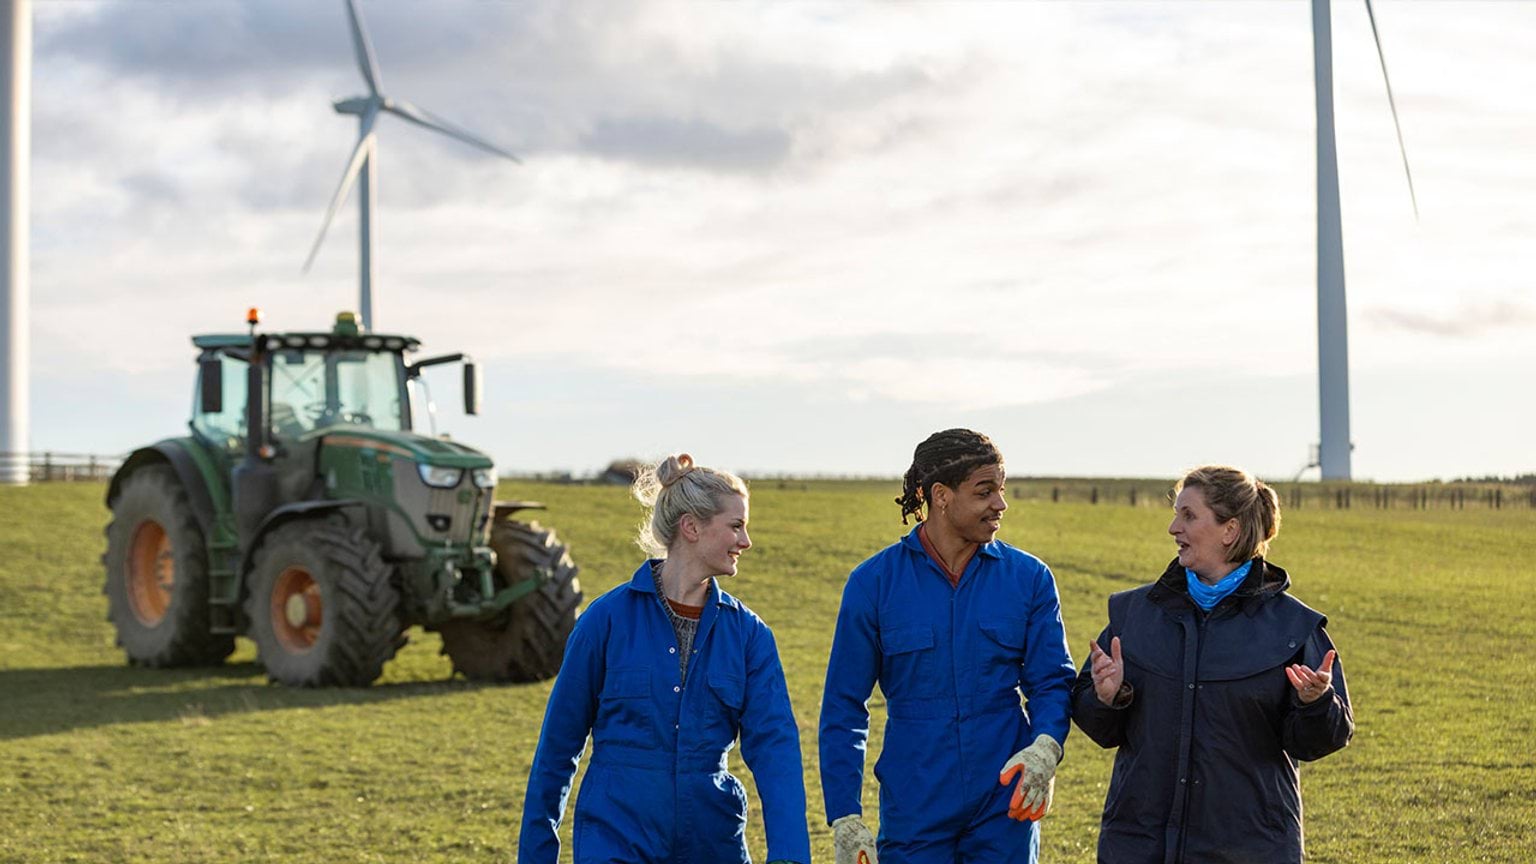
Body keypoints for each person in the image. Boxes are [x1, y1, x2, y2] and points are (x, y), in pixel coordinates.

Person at [518, 454, 810, 864]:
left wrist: (789, 855)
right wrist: (536, 855)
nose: (746, 542)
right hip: (616, 837)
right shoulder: (605, 622)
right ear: (691, 527)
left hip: (713, 842)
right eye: (736, 526)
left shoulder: (749, 635)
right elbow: (556, 752)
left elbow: (776, 751)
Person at [1071, 465, 1354, 864]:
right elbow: (1098, 725)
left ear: (1230, 530)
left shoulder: (1293, 628)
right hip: (1140, 846)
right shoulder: (1134, 615)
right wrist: (1107, 697)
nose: (1173, 527)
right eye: (1176, 514)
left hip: (1250, 849)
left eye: (1188, 515)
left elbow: (1322, 740)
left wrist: (1315, 704)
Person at [819, 429, 1076, 864]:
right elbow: (844, 708)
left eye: (1002, 490)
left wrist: (1045, 746)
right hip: (915, 802)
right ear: (941, 495)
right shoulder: (874, 584)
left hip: (1004, 801)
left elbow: (1052, 681)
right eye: (985, 491)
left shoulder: (1029, 579)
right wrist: (845, 816)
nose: (1001, 504)